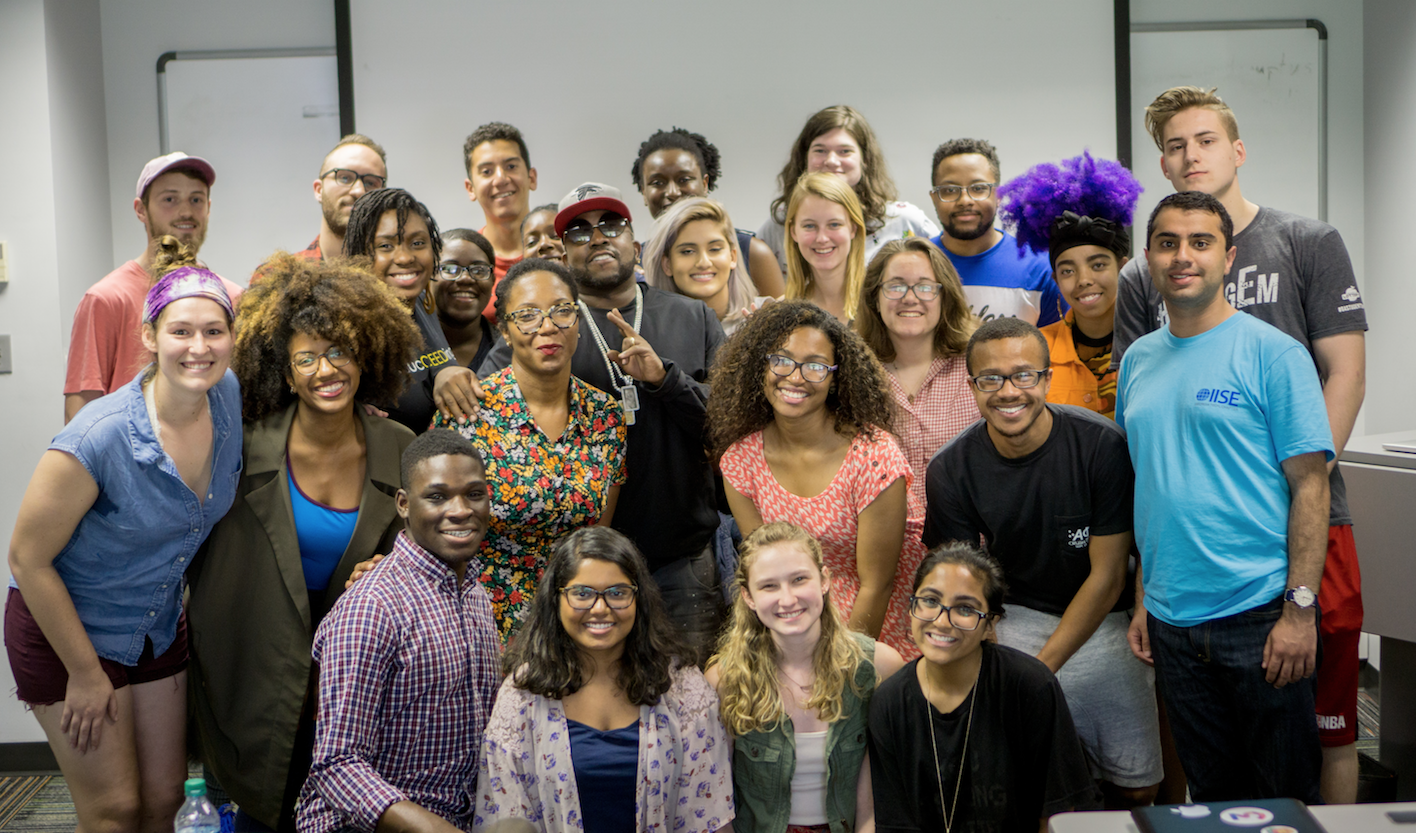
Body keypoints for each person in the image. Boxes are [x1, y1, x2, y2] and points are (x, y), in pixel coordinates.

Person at [1113, 87, 1368, 803]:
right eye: (1167, 244)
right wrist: (1142, 597)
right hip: (1171, 616)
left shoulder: (1275, 352)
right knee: (1210, 795)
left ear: (1229, 257)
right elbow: (1150, 483)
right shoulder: (1137, 361)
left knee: (1282, 797)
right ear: (1148, 259)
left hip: (1260, 612)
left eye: (1199, 244)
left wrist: (1298, 607)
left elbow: (1311, 482)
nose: (1182, 257)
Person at [8, 238, 240, 833]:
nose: (199, 348)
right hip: (69, 630)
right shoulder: (100, 436)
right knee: (114, 810)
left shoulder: (230, 398)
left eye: (214, 332)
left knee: (165, 802)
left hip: (155, 626)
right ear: (149, 336)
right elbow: (27, 558)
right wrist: (84, 673)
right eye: (181, 332)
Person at [187, 254, 420, 832]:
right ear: (285, 374)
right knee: (265, 807)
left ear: (364, 356)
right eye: (306, 358)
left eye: (338, 351)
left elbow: (427, 550)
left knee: (348, 805)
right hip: (256, 649)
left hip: (356, 664)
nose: (326, 370)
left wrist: (390, 567)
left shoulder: (400, 444)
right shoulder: (239, 446)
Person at [479, 182, 727, 657]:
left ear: (635, 244)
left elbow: (731, 426)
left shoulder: (692, 317)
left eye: (610, 225)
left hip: (680, 560)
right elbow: (485, 399)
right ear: (562, 253)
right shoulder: (553, 328)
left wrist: (664, 380)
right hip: (584, 572)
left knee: (693, 703)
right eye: (579, 232)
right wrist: (449, 372)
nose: (597, 238)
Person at [924, 317, 1161, 809]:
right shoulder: (951, 467)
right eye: (990, 379)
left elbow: (1110, 572)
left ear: (1047, 379)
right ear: (972, 387)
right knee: (1020, 779)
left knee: (1138, 783)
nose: (1008, 391)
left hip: (1104, 614)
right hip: (1013, 615)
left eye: (1023, 375)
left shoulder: (1100, 445)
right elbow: (962, 586)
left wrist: (1041, 670)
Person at [296, 429, 501, 833]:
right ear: (404, 504)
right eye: (438, 497)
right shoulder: (372, 607)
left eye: (473, 494)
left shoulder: (475, 595)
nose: (460, 510)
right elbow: (337, 766)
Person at [474, 527, 734, 832]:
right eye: (582, 594)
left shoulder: (682, 687)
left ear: (640, 599)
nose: (600, 608)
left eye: (617, 593)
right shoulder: (522, 695)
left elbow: (711, 816)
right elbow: (504, 815)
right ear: (555, 599)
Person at [708, 300, 924, 659]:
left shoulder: (874, 456)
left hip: (874, 635)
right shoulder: (741, 460)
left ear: (836, 378)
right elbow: (765, 572)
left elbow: (877, 584)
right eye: (781, 360)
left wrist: (839, 667)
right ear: (759, 367)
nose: (795, 376)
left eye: (815, 366)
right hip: (791, 629)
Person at [437, 258, 627, 641]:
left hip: (574, 623)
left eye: (561, 311)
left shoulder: (606, 414)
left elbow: (596, 537)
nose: (547, 327)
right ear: (505, 330)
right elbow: (434, 533)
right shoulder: (468, 410)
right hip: (480, 622)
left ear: (578, 321)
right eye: (526, 315)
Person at [869, 543, 1100, 831]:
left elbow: (1057, 809)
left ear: (990, 623)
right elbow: (894, 823)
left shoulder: (1030, 686)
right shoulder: (888, 704)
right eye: (929, 601)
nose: (942, 621)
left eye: (965, 608)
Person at [707, 522, 905, 832]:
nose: (787, 599)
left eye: (799, 579)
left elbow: (883, 795)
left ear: (824, 580)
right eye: (769, 586)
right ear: (748, 597)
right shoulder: (726, 679)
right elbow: (715, 799)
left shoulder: (878, 667)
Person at [64, 152, 243, 422]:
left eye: (196, 199)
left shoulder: (231, 297)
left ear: (208, 207)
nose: (186, 211)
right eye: (170, 199)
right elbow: (80, 418)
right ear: (140, 209)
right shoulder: (107, 299)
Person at [998, 152, 1143, 419]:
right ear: (1055, 279)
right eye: (1067, 270)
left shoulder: (1151, 343)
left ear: (1124, 268)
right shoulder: (1034, 350)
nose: (1083, 280)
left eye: (1098, 265)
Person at [342, 188, 480, 432]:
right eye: (385, 245)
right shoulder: (348, 327)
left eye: (417, 243)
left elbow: (434, 366)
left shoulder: (421, 301)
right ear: (361, 254)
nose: (405, 257)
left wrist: (444, 374)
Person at [855, 238, 979, 508]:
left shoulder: (977, 365)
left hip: (966, 544)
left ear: (945, 298)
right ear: (874, 298)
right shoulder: (852, 374)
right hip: (880, 545)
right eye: (896, 286)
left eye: (925, 287)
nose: (910, 298)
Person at [759, 105, 938, 274]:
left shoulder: (904, 220)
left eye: (844, 151)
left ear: (865, 159)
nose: (831, 161)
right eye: (820, 150)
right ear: (804, 158)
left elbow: (947, 276)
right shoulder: (780, 222)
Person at [630, 126, 784, 297]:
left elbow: (782, 320)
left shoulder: (752, 252)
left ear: (704, 184)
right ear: (644, 192)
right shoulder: (635, 264)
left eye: (684, 179)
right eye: (658, 182)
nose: (672, 192)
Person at [928, 138, 1065, 327]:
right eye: (950, 190)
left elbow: (1059, 351)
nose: (965, 200)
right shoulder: (916, 265)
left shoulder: (1040, 268)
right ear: (934, 198)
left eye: (978, 188)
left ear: (999, 195)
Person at [642, 197, 767, 336]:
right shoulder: (649, 328)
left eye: (714, 249)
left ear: (733, 257)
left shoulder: (767, 315)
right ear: (667, 264)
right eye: (687, 251)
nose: (703, 263)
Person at [783, 172, 868, 322]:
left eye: (834, 224)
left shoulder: (880, 302)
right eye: (809, 226)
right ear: (793, 232)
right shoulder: (783, 313)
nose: (822, 238)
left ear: (853, 229)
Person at [463, 122, 538, 282]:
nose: (500, 179)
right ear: (471, 188)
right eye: (487, 172)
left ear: (531, 178)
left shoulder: (561, 251)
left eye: (511, 166)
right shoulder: (463, 265)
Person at [302, 134, 388, 262]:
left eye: (370, 183)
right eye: (344, 178)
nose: (358, 191)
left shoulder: (400, 277)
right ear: (319, 190)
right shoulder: (277, 278)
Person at [435, 228, 497, 370]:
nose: (465, 278)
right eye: (450, 269)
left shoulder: (510, 351)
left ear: (493, 280)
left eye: (479, 270)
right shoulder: (403, 347)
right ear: (429, 275)